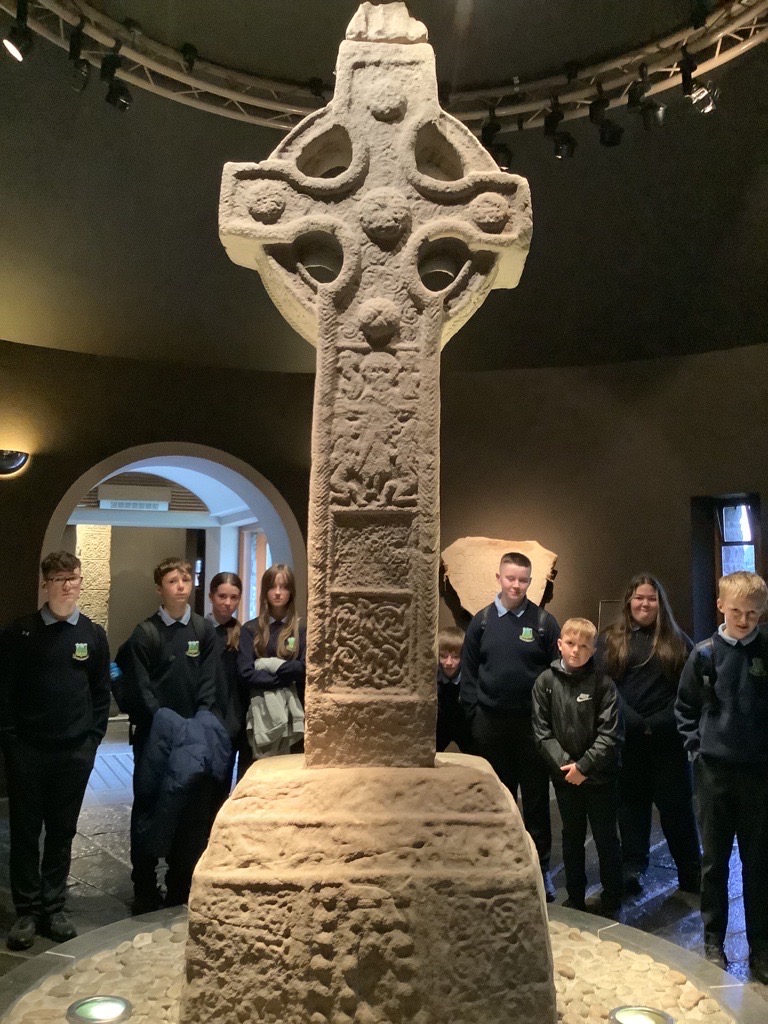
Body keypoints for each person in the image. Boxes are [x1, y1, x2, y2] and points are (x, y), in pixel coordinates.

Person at [0, 551, 110, 949]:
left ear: (81, 581)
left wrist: (93, 738)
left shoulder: (93, 635)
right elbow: (5, 691)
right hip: (28, 751)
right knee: (26, 833)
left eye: (73, 577)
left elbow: (100, 691)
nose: (68, 584)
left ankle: (54, 906)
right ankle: (27, 912)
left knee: (62, 832)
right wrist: (12, 741)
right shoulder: (21, 632)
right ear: (45, 583)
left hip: (74, 752)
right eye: (59, 578)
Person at [676, 571, 768, 981]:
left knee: (759, 863)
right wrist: (696, 746)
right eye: (736, 612)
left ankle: (761, 948)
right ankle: (713, 942)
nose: (744, 620)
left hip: (759, 774)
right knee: (714, 862)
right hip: (714, 773)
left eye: (752, 613)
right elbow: (685, 708)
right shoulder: (704, 654)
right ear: (720, 607)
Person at [116, 557, 220, 913]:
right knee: (148, 806)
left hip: (194, 739)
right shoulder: (145, 634)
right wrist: (166, 723)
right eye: (173, 580)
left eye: (186, 579)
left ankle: (180, 885)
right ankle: (144, 886)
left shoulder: (204, 632)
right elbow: (141, 689)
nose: (181, 585)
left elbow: (209, 685)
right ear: (159, 588)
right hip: (156, 739)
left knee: (191, 813)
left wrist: (197, 724)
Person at [460, 551, 560, 901]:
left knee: (535, 801)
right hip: (491, 727)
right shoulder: (482, 621)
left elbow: (557, 676)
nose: (516, 585)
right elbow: (469, 673)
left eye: (522, 580)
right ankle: (498, 865)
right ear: (498, 577)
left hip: (532, 728)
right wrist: (474, 715)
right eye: (510, 578)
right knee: (497, 800)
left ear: (530, 582)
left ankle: (540, 869)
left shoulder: (545, 623)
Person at [597, 573, 700, 897]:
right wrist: (632, 720)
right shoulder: (610, 639)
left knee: (678, 810)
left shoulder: (679, 641)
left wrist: (657, 722)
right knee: (630, 809)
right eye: (639, 598)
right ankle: (632, 868)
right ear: (629, 601)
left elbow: (689, 692)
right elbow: (604, 686)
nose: (645, 603)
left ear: (660, 603)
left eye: (651, 598)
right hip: (627, 742)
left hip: (668, 743)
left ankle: (691, 873)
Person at [532, 617, 624, 913]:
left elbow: (610, 734)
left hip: (600, 778)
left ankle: (612, 897)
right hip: (565, 779)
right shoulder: (545, 683)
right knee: (571, 839)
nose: (576, 651)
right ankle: (575, 897)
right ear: (560, 645)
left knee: (606, 838)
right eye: (570, 644)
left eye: (584, 646)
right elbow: (542, 732)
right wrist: (567, 767)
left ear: (593, 649)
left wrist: (584, 767)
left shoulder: (603, 683)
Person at [237, 564, 306, 759]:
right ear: (264, 591)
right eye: (272, 587)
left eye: (283, 587)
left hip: (293, 711)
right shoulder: (250, 629)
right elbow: (246, 673)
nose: (277, 593)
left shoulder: (301, 629)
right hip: (259, 709)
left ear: (291, 592)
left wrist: (267, 668)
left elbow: (303, 669)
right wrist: (284, 677)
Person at [208, 572, 250, 793]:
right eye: (222, 596)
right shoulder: (200, 631)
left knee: (225, 787)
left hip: (234, 722)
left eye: (234, 597)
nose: (227, 603)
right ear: (211, 596)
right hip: (206, 721)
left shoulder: (243, 634)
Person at [435, 626, 472, 754]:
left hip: (465, 726)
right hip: (439, 726)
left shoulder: (470, 680)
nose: (449, 663)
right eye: (443, 656)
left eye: (455, 657)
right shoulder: (431, 679)